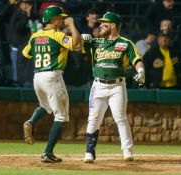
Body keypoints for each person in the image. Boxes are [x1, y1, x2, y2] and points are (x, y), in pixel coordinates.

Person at [81, 12, 145, 163]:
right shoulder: (95, 42)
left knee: (120, 118)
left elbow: (137, 59)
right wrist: (82, 38)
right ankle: (89, 152)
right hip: (98, 85)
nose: (101, 25)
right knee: (93, 119)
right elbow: (76, 46)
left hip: (117, 85)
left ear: (113, 25)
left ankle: (127, 150)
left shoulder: (125, 43)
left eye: (105, 23)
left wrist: (141, 72)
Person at [22, 6, 81, 163]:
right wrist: (72, 25)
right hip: (53, 76)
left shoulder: (35, 36)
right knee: (61, 116)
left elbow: (25, 53)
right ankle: (47, 153)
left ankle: (31, 122)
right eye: (60, 18)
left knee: (46, 107)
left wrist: (42, 49)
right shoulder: (58, 35)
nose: (62, 20)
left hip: (38, 77)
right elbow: (76, 45)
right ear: (54, 20)